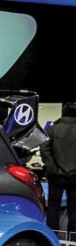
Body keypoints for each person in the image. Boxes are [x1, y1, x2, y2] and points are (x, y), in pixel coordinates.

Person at [40, 102, 76, 238]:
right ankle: (73, 239)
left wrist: (52, 168)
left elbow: (44, 149)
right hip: (75, 176)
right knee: (74, 207)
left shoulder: (52, 129)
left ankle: (52, 237)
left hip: (56, 175)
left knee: (53, 206)